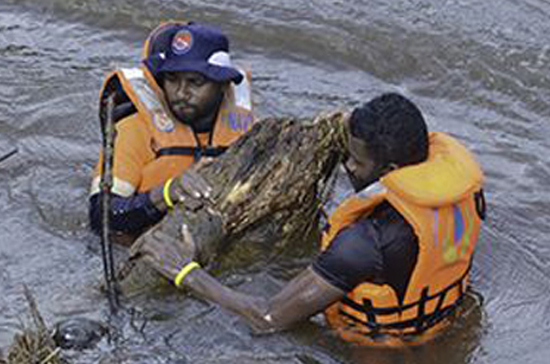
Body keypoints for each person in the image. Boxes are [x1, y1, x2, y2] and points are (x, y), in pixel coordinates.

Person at [138, 93, 486, 346]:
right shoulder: (466, 194)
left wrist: (185, 272)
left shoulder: (364, 241)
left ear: (391, 170)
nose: (347, 167)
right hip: (442, 329)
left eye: (356, 162)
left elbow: (267, 318)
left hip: (375, 351)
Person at [89, 21, 254, 243]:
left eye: (195, 82)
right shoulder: (133, 130)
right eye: (172, 79)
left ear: (222, 84)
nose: (181, 92)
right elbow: (101, 217)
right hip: (138, 248)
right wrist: (167, 193)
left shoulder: (249, 134)